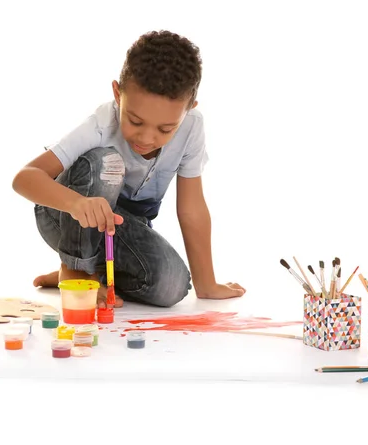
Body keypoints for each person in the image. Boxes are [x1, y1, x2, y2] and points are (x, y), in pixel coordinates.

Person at [12, 30, 245, 308]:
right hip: (64, 214)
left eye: (165, 129)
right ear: (117, 95)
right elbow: (25, 178)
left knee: (172, 287)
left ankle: (94, 272)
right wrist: (77, 203)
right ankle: (74, 270)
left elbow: (191, 207)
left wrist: (207, 283)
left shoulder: (193, 127)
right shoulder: (102, 123)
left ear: (188, 110)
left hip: (118, 229)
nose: (147, 138)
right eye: (135, 121)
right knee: (107, 163)